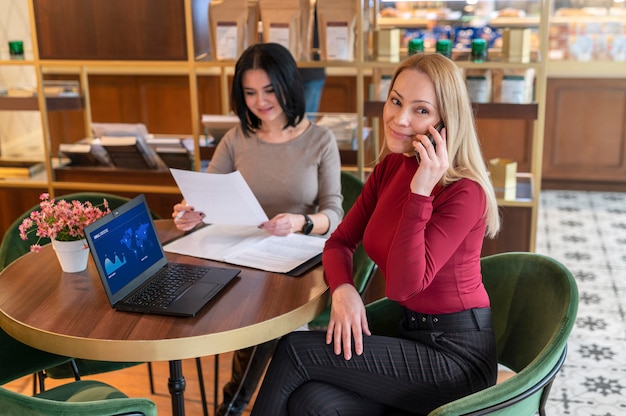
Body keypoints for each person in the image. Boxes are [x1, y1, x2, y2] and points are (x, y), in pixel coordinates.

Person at [250, 52, 501, 415]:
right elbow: (339, 241)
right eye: (396, 101)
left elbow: (402, 286)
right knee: (312, 401)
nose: (399, 119)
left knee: (295, 350)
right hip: (410, 337)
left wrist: (420, 192)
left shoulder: (465, 191)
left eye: (421, 110)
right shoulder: (390, 168)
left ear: (446, 122)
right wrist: (344, 289)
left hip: (457, 359)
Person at [171, 42, 343, 416]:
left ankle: (232, 406)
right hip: (242, 254)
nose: (260, 101)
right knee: (253, 308)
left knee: (268, 314)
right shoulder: (236, 139)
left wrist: (302, 221)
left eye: (269, 90)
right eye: (249, 92)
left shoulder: (319, 140)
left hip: (297, 257)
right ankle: (245, 405)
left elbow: (335, 212)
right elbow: (204, 194)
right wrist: (189, 212)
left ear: (288, 85)